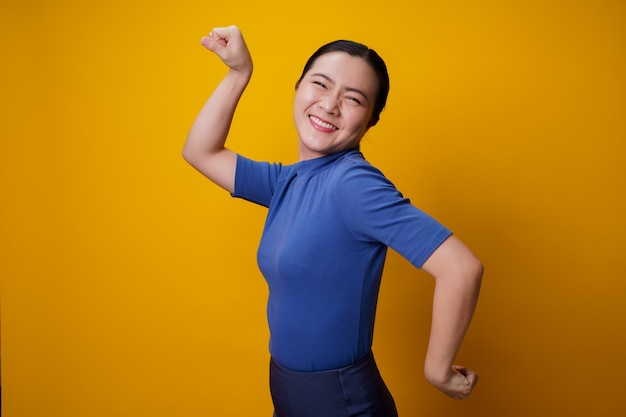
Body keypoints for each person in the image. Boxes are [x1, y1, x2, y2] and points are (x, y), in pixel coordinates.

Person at [183, 25, 483, 417]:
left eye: (354, 98)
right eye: (320, 84)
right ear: (298, 88)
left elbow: (461, 267)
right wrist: (239, 73)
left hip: (341, 403)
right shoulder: (286, 181)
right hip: (289, 395)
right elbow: (200, 151)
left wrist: (438, 371)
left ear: (372, 119)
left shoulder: (352, 184)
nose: (329, 105)